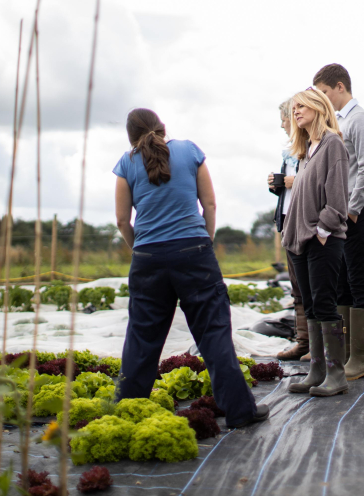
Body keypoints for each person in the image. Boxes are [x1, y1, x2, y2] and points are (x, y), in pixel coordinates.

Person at [114, 107, 268, 428]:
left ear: (130, 137)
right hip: (193, 252)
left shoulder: (126, 163)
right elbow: (209, 204)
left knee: (142, 338)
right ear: (162, 127)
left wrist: (139, 249)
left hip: (147, 260)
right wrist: (204, 241)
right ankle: (240, 412)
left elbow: (121, 220)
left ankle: (127, 414)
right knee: (213, 332)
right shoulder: (189, 151)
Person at [314, 64, 364, 381]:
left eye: (324, 93)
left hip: (361, 212)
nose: (323, 100)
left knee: (359, 281)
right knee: (341, 283)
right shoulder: (338, 123)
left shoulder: (360, 120)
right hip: (344, 215)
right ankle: (343, 353)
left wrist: (351, 210)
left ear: (340, 87)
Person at [282, 88, 350, 397]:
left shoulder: (332, 145)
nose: (296, 111)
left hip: (321, 239)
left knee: (324, 303)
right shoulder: (307, 150)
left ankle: (336, 375)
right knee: (310, 305)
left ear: (318, 107)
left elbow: (336, 198)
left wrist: (322, 231)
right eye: (294, 108)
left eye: (301, 106)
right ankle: (317, 371)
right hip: (299, 241)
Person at [266, 98, 310, 361]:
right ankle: (303, 341)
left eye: (285, 119)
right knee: (297, 286)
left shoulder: (315, 146)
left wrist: (295, 181)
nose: (282, 125)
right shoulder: (289, 152)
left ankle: (319, 346)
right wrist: (278, 185)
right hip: (289, 221)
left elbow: (316, 182)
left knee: (311, 287)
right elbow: (291, 190)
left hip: (306, 223)